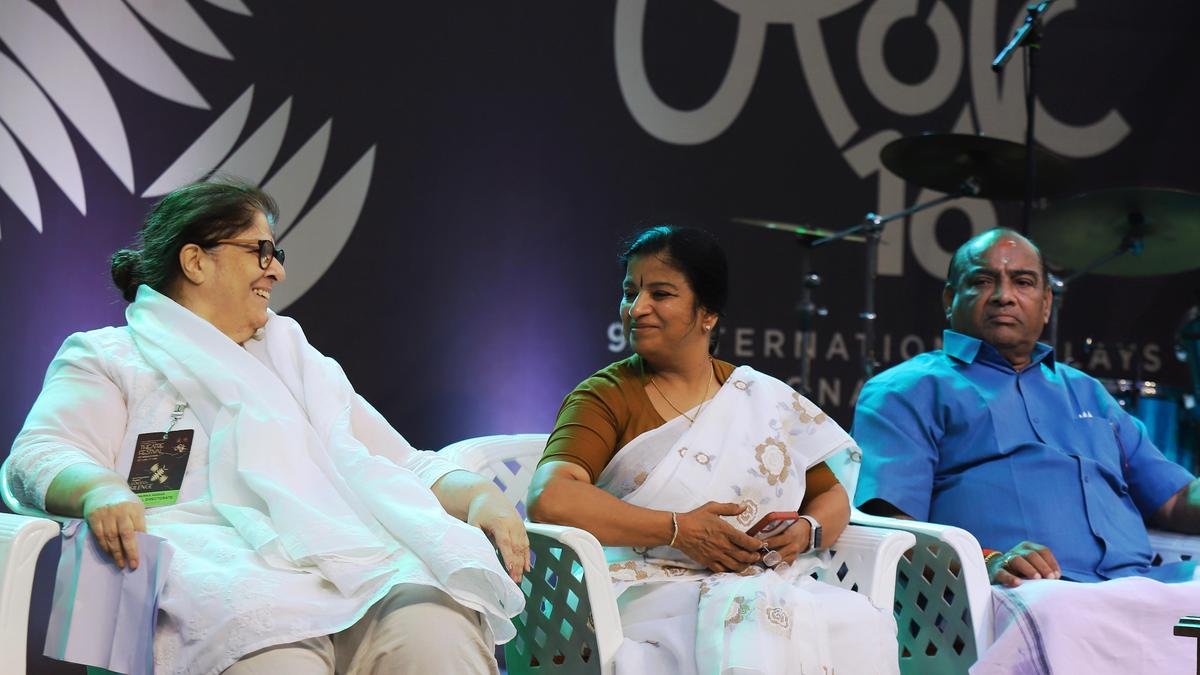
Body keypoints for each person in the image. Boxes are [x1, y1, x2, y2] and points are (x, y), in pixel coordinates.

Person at [7, 178, 526, 675]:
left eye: (276, 255)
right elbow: (41, 452)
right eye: (260, 252)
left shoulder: (296, 359)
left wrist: (479, 494)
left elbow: (399, 463)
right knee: (275, 650)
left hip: (343, 556)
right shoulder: (109, 355)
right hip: (204, 562)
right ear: (195, 261)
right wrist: (99, 489)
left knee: (435, 629)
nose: (275, 271)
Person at [526, 225, 898, 674]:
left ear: (708, 313)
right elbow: (551, 496)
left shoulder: (760, 397)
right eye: (629, 293)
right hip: (642, 589)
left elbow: (832, 494)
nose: (636, 308)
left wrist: (806, 531)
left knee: (860, 621)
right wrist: (677, 530)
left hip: (763, 581)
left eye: (660, 294)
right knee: (750, 621)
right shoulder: (605, 395)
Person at [853, 227, 1200, 673]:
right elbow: (891, 527)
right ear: (949, 299)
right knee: (1057, 611)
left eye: (1023, 281)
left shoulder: (1087, 392)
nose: (1004, 296)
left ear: (1046, 302)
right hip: (1007, 596)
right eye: (982, 281)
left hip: (1138, 587)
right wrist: (987, 561)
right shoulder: (907, 390)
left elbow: (1175, 498)